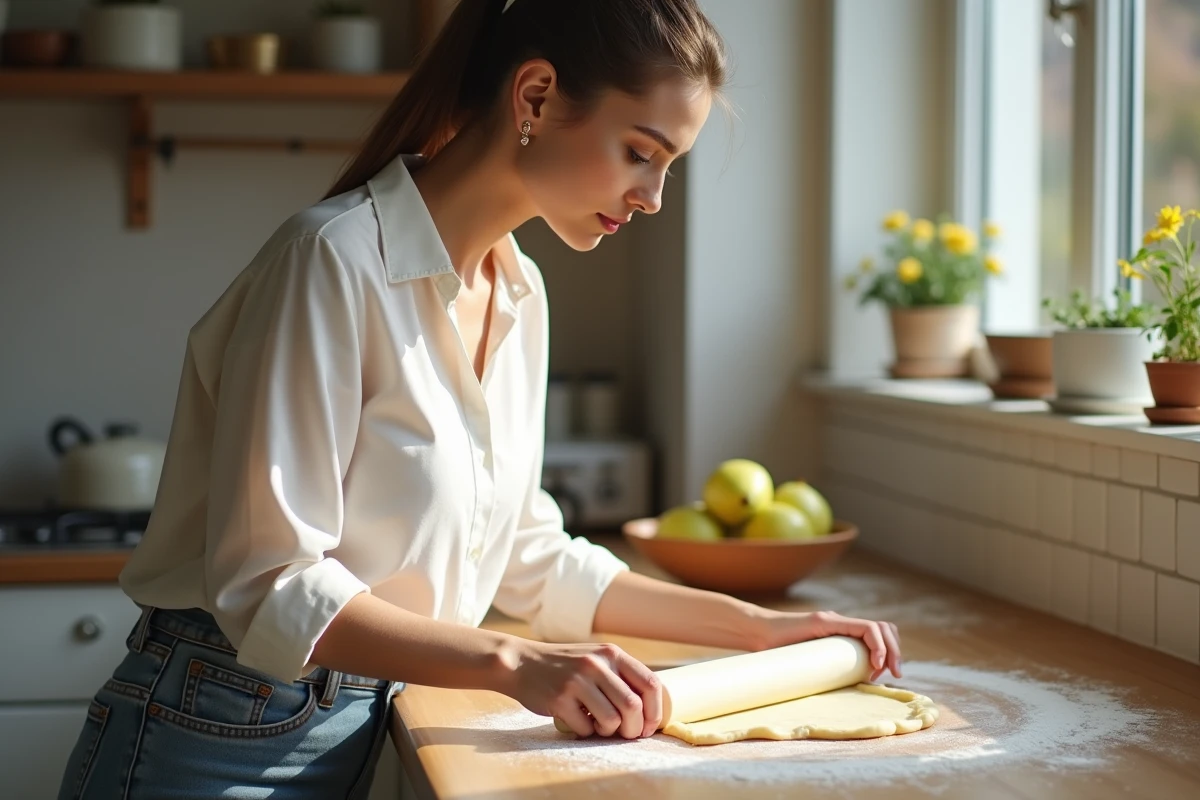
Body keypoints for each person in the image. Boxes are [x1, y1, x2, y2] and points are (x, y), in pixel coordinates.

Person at [57, 1, 902, 797]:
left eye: (667, 166)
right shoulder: (333, 261)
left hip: (366, 717)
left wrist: (757, 630)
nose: (652, 196)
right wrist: (517, 665)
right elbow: (270, 582)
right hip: (212, 728)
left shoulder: (519, 289)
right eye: (641, 152)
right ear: (534, 94)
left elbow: (530, 556)